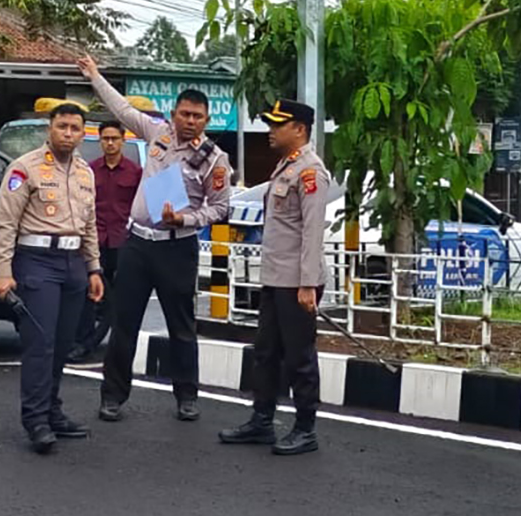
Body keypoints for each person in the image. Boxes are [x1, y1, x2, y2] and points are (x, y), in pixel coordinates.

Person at [77, 55, 232, 424]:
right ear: (173, 114)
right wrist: (95, 76)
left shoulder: (215, 159)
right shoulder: (157, 133)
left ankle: (187, 397)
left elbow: (221, 207)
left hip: (178, 246)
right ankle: (112, 397)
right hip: (138, 244)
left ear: (206, 120)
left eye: (197, 116)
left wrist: (185, 218)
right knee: (124, 323)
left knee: (181, 327)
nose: (190, 121)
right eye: (185, 114)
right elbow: (123, 109)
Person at [219, 99, 332, 456]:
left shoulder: (310, 172)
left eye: (278, 125)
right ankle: (262, 420)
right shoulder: (287, 166)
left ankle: (305, 429)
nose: (270, 130)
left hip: (297, 282)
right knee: (265, 353)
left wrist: (307, 284)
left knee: (299, 357)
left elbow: (312, 232)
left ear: (299, 129)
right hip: (275, 278)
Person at [0, 103, 105, 454]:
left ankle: (53, 410)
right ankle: (36, 420)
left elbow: (89, 224)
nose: (68, 133)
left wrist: (94, 268)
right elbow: (6, 222)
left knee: (62, 343)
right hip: (37, 261)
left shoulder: (85, 172)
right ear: (49, 129)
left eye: (75, 128)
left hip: (73, 263)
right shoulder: (25, 168)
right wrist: (3, 270)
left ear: (82, 134)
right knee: (39, 344)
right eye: (62, 126)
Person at [70, 119, 141, 362]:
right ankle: (85, 342)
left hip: (123, 242)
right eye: (105, 139)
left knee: (120, 298)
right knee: (89, 294)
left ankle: (114, 346)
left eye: (114, 139)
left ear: (123, 140)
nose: (110, 143)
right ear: (100, 141)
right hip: (95, 241)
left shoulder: (135, 172)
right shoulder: (89, 171)